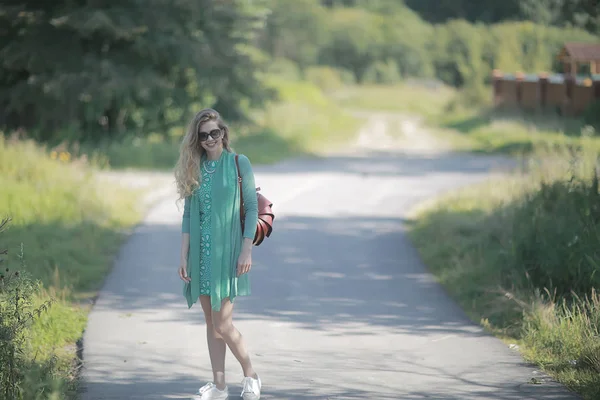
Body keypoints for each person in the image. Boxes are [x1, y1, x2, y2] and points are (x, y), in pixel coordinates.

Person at [174, 108, 261, 400]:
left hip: (227, 252)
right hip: (201, 254)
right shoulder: (195, 168)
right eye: (203, 135)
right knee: (211, 323)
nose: (210, 139)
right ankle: (220, 385)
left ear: (223, 133)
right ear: (197, 140)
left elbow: (250, 208)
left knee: (223, 323)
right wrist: (184, 255)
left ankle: (250, 374)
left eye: (215, 132)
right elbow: (188, 216)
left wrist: (246, 249)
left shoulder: (239, 163)